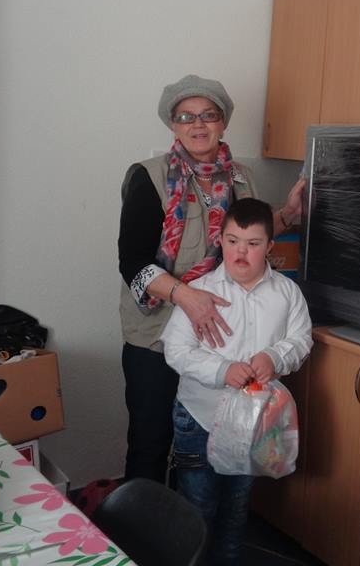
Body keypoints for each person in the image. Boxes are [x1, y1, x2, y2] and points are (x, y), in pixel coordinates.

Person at [117, 74, 304, 484]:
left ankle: (196, 519)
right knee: (151, 441)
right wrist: (187, 296)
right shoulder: (149, 176)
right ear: (173, 124)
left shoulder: (241, 177)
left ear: (223, 122)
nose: (198, 124)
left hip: (216, 341)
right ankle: (141, 524)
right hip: (154, 334)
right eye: (186, 116)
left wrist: (288, 214)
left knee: (214, 440)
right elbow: (132, 263)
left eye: (208, 115)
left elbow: (246, 232)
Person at [161, 197, 312, 565]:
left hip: (253, 424)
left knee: (236, 507)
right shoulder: (200, 291)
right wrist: (222, 370)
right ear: (221, 241)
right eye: (232, 241)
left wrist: (274, 357)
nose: (240, 252)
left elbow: (301, 339)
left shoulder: (287, 293)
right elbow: (175, 350)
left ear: (270, 246)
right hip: (199, 417)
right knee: (198, 507)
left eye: (253, 243)